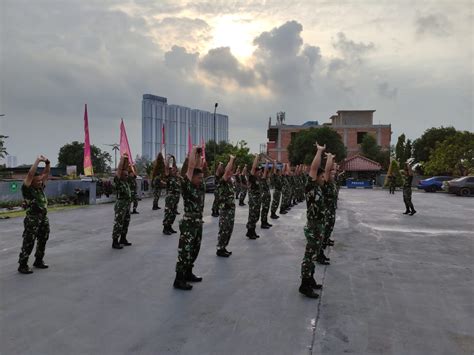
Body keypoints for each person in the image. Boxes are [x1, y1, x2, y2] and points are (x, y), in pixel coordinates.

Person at [299, 143, 330, 299]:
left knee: (314, 255)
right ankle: (304, 285)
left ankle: (310, 278)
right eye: (322, 176)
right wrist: (319, 151)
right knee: (309, 256)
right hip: (313, 227)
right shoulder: (310, 187)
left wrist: (329, 160)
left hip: (319, 227)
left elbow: (328, 172)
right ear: (316, 177)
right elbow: (313, 168)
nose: (324, 179)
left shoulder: (319, 188)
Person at [173, 147, 205, 290]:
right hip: (189, 224)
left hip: (198, 223)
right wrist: (193, 151)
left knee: (194, 250)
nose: (201, 180)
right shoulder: (187, 186)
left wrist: (199, 155)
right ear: (191, 178)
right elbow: (191, 168)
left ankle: (188, 273)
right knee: (185, 251)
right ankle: (179, 279)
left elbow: (197, 168)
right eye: (199, 178)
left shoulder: (199, 187)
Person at [18, 155, 51, 274]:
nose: (39, 182)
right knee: (29, 241)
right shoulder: (27, 189)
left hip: (43, 218)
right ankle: (22, 265)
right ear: (31, 182)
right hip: (32, 219)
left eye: (40, 180)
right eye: (37, 181)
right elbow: (30, 174)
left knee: (43, 238)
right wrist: (38, 160)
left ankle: (38, 260)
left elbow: (46, 174)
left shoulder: (40, 187)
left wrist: (47, 163)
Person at [318, 157, 338, 265]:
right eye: (331, 174)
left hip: (331, 212)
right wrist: (329, 158)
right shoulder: (326, 183)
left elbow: (331, 169)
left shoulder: (332, 183)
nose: (333, 175)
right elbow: (327, 170)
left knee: (327, 233)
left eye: (334, 174)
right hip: (325, 213)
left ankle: (322, 250)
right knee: (323, 234)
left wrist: (333, 162)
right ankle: (319, 254)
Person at [216, 155, 237, 257]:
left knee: (229, 230)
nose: (230, 174)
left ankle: (224, 247)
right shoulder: (222, 182)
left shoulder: (229, 183)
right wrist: (231, 159)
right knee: (224, 229)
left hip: (231, 210)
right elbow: (227, 171)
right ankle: (220, 248)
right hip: (225, 210)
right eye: (229, 173)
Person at [112, 154, 133, 249]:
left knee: (126, 222)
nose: (126, 176)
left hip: (127, 205)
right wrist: (122, 160)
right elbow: (119, 170)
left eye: (127, 175)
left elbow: (128, 170)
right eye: (125, 175)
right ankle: (115, 242)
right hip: (121, 205)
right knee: (118, 223)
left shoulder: (126, 183)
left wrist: (127, 163)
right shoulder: (118, 181)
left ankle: (123, 239)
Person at [163, 155, 181, 235]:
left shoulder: (177, 179)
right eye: (173, 170)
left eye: (175, 170)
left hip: (175, 199)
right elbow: (166, 167)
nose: (174, 171)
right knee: (168, 213)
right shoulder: (169, 177)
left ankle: (170, 226)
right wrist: (168, 159)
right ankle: (165, 228)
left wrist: (174, 159)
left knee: (173, 214)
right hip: (170, 198)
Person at [246, 154, 262, 239]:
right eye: (258, 171)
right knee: (252, 216)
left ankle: (253, 231)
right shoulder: (251, 177)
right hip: (253, 201)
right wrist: (256, 158)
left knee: (256, 216)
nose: (260, 172)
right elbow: (253, 167)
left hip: (257, 201)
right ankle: (250, 231)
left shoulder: (257, 179)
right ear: (255, 172)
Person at [259, 160, 273, 229]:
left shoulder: (267, 178)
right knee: (264, 210)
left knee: (266, 209)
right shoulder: (262, 178)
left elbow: (269, 173)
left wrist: (273, 165)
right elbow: (265, 172)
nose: (267, 174)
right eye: (266, 172)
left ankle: (265, 222)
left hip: (267, 196)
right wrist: (267, 163)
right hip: (264, 197)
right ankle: (263, 223)